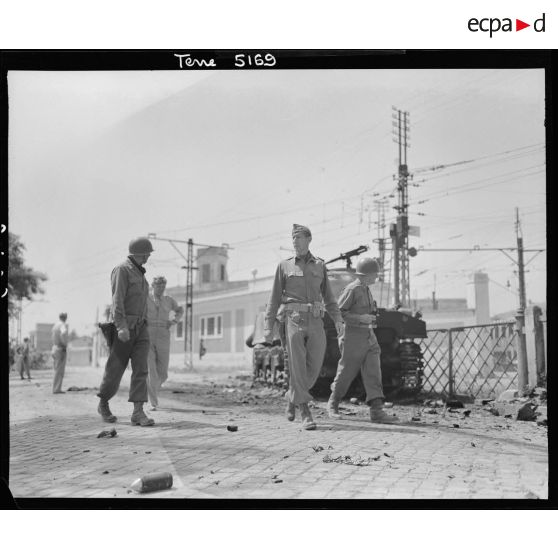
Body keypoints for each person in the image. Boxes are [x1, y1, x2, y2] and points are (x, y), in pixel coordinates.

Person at [264, 224, 343, 430]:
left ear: (309, 239)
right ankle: (305, 411)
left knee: (314, 366)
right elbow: (273, 300)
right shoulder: (284, 266)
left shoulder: (319, 265)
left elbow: (329, 297)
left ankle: (292, 397)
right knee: (297, 366)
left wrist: (338, 319)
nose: (295, 242)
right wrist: (268, 326)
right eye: (293, 238)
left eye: (299, 237)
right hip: (294, 320)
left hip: (316, 320)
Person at [327, 256, 399, 423]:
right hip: (353, 337)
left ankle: (377, 410)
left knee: (374, 372)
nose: (377, 277)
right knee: (346, 372)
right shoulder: (352, 289)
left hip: (369, 337)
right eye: (375, 274)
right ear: (365, 274)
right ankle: (333, 403)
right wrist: (361, 318)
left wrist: (370, 317)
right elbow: (339, 313)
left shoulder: (366, 288)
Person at [96, 237, 155, 426]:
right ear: (140, 253)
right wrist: (121, 327)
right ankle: (103, 403)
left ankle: (138, 412)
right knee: (115, 369)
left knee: (141, 370)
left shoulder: (141, 274)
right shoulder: (122, 270)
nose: (148, 257)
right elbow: (117, 300)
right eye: (147, 253)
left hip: (140, 329)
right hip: (125, 329)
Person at [146, 276, 184, 410]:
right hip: (148, 335)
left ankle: (150, 389)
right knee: (151, 370)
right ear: (153, 286)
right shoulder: (146, 299)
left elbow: (180, 310)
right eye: (158, 286)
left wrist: (174, 321)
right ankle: (153, 401)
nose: (161, 288)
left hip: (163, 334)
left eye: (163, 286)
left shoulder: (168, 300)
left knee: (163, 373)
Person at [52, 314, 69, 393]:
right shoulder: (62, 325)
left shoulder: (55, 325)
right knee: (60, 370)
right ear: (65, 318)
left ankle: (55, 388)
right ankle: (56, 389)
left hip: (54, 347)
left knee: (56, 369)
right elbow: (63, 333)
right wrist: (64, 343)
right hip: (60, 348)